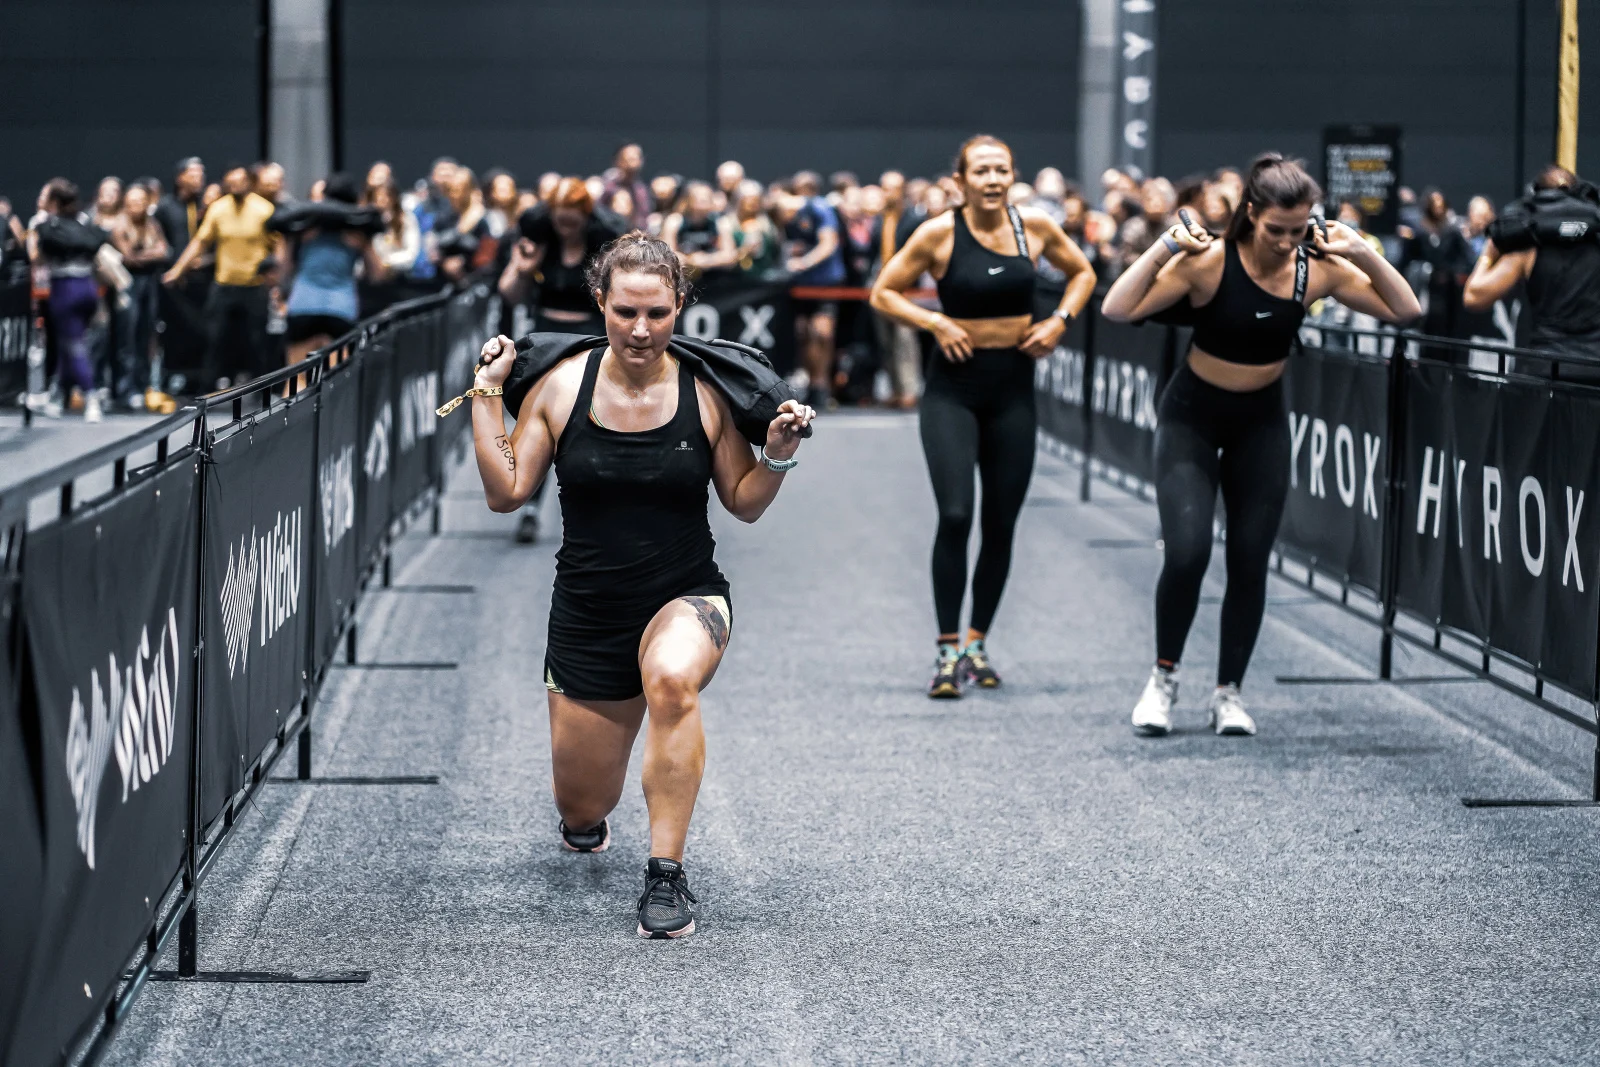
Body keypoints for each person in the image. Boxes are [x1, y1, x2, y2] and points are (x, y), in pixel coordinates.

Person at [466, 233, 814, 938]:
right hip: (589, 614)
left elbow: (743, 500)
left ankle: (665, 875)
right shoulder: (563, 388)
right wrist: (487, 392)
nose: (641, 329)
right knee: (583, 804)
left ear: (680, 305)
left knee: (671, 681)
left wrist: (775, 458)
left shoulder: (706, 392)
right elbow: (507, 492)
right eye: (625, 311)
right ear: (599, 303)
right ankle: (586, 820)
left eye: (657, 312)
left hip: (686, 594)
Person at [1101, 153, 1420, 737]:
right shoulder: (1209, 263)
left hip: (1261, 423)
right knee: (1188, 553)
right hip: (1191, 419)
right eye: (1276, 230)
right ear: (1251, 214)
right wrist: (1166, 247)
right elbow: (1117, 308)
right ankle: (1163, 679)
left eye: (1299, 231)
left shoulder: (1312, 270)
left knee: (1250, 560)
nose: (1286, 242)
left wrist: (1359, 251)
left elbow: (1407, 309)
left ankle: (1229, 693)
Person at [871, 135, 1096, 698]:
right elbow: (884, 292)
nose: (993, 180)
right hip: (953, 392)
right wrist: (936, 324)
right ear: (963, 180)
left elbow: (1083, 273)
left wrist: (1060, 321)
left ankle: (976, 642)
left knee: (1001, 523)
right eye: (982, 171)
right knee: (954, 514)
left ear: (1011, 176)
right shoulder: (940, 232)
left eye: (1002, 170)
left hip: (1014, 391)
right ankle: (946, 649)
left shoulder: (1034, 228)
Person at [498, 177, 626, 544]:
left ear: (586, 217)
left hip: (590, 340)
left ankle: (599, 511)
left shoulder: (601, 247)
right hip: (544, 339)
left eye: (572, 219)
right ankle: (530, 506)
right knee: (539, 422)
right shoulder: (540, 242)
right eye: (559, 219)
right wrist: (523, 266)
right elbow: (510, 294)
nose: (564, 226)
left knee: (589, 424)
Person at [163, 162, 281, 390]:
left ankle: (262, 392)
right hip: (224, 285)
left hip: (254, 285)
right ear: (226, 184)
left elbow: (278, 245)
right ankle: (207, 391)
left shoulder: (264, 209)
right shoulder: (219, 209)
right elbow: (200, 242)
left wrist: (277, 275)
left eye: (240, 181)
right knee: (214, 339)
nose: (236, 186)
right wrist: (178, 270)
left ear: (249, 182)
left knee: (257, 342)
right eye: (231, 182)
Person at [1464, 164, 1600, 361]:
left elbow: (1473, 296)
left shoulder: (1528, 246)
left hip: (1545, 368)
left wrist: (1488, 253)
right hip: (1593, 368)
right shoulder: (1596, 238)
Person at [282, 173, 383, 369]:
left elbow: (285, 268)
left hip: (304, 304)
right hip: (340, 308)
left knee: (296, 380)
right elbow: (378, 274)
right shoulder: (357, 233)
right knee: (337, 383)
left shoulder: (304, 228)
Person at [30, 179, 111, 420]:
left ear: (54, 201)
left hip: (65, 288)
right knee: (70, 343)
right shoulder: (84, 221)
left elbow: (37, 257)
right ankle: (56, 396)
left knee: (74, 345)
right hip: (88, 286)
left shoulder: (46, 225)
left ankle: (91, 395)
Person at [784, 170, 846, 409]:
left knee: (822, 333)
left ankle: (821, 385)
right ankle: (810, 382)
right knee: (803, 333)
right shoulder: (791, 210)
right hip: (801, 286)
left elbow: (828, 243)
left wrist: (804, 262)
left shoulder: (821, 209)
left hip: (825, 282)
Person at [110, 182, 174, 412]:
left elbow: (165, 251)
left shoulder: (152, 224)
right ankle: (125, 389)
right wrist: (152, 254)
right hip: (128, 285)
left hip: (150, 285)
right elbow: (129, 258)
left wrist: (146, 254)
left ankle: (144, 385)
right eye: (132, 201)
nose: (136, 206)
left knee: (146, 336)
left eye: (140, 201)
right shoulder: (119, 225)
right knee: (127, 337)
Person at [660, 180, 738, 276]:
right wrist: (686, 259)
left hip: (713, 275)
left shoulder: (720, 222)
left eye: (707, 197)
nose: (703, 199)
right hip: (684, 274)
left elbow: (730, 256)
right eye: (699, 197)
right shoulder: (675, 221)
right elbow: (665, 253)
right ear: (688, 199)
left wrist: (707, 260)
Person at [731, 181, 782, 275]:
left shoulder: (767, 224)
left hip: (766, 276)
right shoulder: (729, 223)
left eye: (756, 199)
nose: (752, 203)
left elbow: (776, 251)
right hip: (735, 277)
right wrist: (744, 251)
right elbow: (726, 255)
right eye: (748, 199)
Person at [602, 143, 653, 231]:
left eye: (637, 156)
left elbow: (644, 217)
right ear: (619, 160)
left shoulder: (640, 189)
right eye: (630, 157)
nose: (634, 159)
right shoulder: (607, 183)